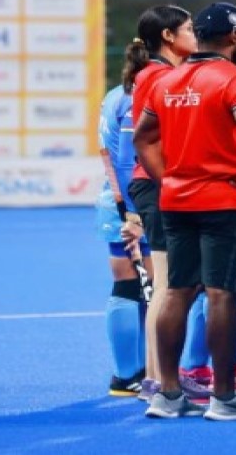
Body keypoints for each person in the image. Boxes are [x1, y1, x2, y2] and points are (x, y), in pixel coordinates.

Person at [134, 1, 236, 420]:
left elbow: (143, 138)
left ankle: (167, 394)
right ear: (234, 36)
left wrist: (168, 178)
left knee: (177, 291)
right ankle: (225, 396)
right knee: (222, 295)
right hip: (225, 200)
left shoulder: (168, 79)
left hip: (176, 200)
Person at [122, 5, 197, 401]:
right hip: (158, 183)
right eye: (189, 29)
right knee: (167, 285)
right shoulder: (159, 76)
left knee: (171, 283)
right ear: (168, 36)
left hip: (158, 182)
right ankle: (157, 378)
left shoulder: (157, 74)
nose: (195, 35)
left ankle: (161, 375)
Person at [96, 81, 149, 397]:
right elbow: (127, 162)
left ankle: (135, 372)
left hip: (120, 201)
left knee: (136, 288)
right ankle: (127, 375)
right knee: (133, 285)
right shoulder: (133, 98)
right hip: (131, 205)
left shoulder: (116, 93)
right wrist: (133, 212)